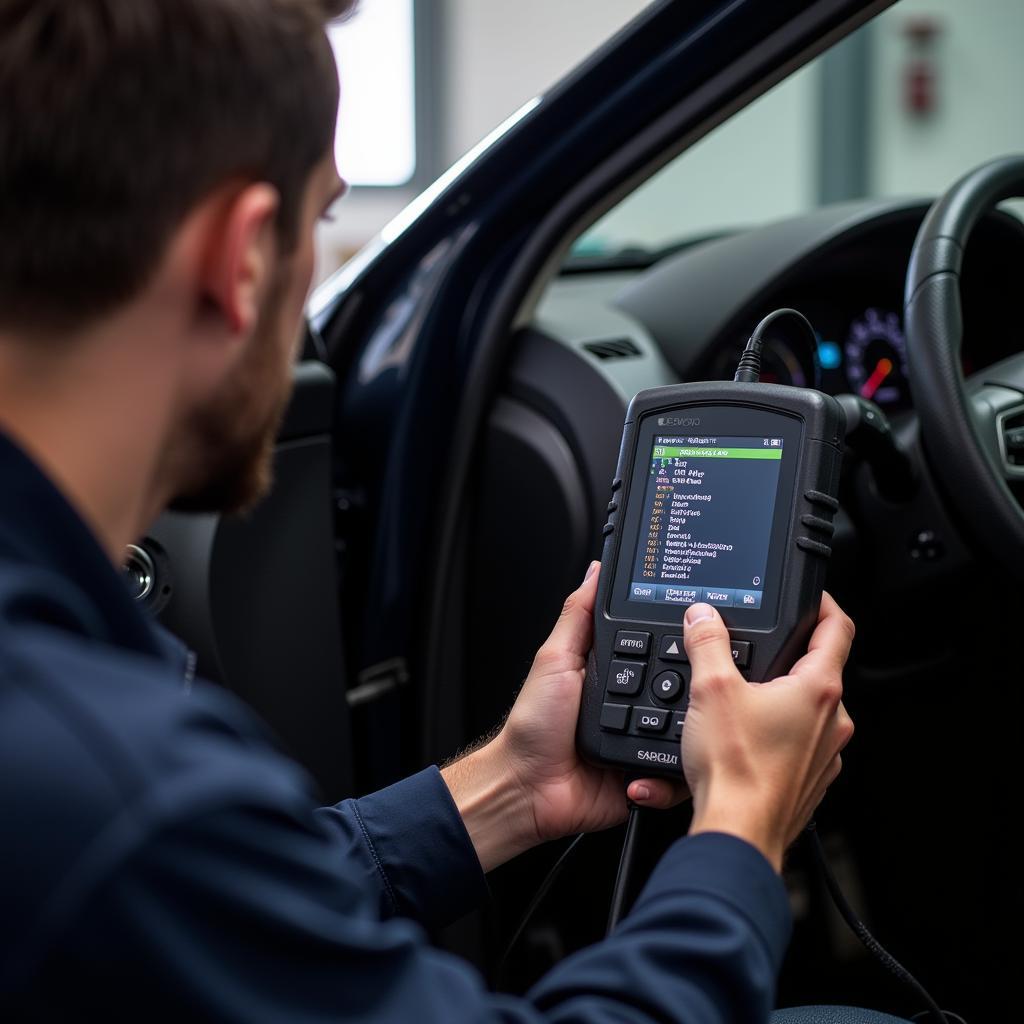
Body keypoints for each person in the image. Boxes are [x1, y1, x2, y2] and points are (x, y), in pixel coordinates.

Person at [0, 1, 856, 1021]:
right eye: (321, 221)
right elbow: (167, 855)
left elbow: (216, 906)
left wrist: (506, 785)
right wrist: (741, 837)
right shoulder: (119, 787)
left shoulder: (91, 778)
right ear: (241, 256)